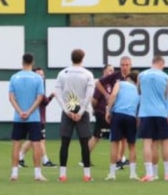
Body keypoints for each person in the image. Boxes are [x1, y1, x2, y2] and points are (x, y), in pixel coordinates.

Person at [53, 49, 96, 182]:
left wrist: (67, 110)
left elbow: (57, 93)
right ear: (82, 58)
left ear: (71, 58)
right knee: (84, 143)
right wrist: (81, 111)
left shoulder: (62, 73)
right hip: (82, 111)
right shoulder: (87, 74)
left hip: (68, 109)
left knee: (65, 143)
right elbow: (89, 95)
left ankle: (62, 174)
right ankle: (87, 174)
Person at [9, 54, 47, 182]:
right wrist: (29, 112)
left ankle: (14, 173)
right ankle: (37, 174)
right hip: (33, 117)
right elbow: (40, 98)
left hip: (18, 117)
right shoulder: (38, 78)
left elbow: (11, 98)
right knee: (36, 144)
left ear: (22, 62)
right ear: (33, 62)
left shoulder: (14, 77)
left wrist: (20, 111)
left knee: (16, 144)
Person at [136, 56, 168, 182]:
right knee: (165, 142)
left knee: (147, 143)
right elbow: (166, 94)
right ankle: (167, 174)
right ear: (161, 64)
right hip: (161, 112)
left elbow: (139, 91)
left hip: (146, 112)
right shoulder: (165, 76)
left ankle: (149, 173)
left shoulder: (141, 75)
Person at [97, 57, 132, 167]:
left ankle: (120, 159)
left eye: (127, 65)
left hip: (129, 110)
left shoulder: (134, 77)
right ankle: (116, 161)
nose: (124, 67)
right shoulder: (115, 76)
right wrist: (106, 95)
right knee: (116, 138)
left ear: (130, 65)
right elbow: (98, 83)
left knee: (125, 138)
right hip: (117, 109)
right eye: (122, 65)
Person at [104, 70, 140, 180]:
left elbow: (113, 95)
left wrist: (108, 111)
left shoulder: (120, 83)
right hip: (131, 116)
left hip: (118, 115)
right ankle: (133, 174)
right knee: (132, 146)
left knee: (115, 144)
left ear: (128, 78)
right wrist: (137, 120)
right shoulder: (138, 90)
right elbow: (139, 107)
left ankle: (112, 174)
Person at [18, 66, 56, 168]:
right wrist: (52, 96)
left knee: (36, 140)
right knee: (36, 140)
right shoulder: (37, 87)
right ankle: (44, 161)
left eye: (43, 75)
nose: (42, 77)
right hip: (37, 118)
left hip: (36, 117)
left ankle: (21, 158)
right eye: (39, 75)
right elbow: (45, 101)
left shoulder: (33, 86)